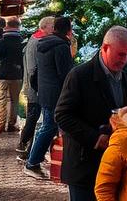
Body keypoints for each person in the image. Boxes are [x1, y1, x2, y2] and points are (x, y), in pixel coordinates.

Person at [54, 26, 127, 201]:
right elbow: (62, 115)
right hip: (86, 165)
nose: (125, 60)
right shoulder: (80, 75)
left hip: (118, 164)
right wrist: (95, 138)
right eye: (120, 54)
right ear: (105, 48)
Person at [23, 16, 76, 180]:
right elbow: (65, 74)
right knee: (49, 127)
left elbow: (39, 71)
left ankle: (36, 160)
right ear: (68, 30)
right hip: (56, 94)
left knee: (48, 126)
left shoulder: (43, 44)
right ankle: (32, 162)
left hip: (45, 93)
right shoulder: (61, 46)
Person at [18, 16, 56, 159]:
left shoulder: (37, 40)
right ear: (45, 27)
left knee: (34, 117)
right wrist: (38, 87)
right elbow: (33, 69)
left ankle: (27, 147)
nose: (54, 29)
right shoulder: (37, 42)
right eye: (52, 26)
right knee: (33, 117)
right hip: (36, 87)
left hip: (37, 86)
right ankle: (23, 146)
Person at [0, 16, 26, 134]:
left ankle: (1, 124)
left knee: (1, 99)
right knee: (14, 100)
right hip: (16, 74)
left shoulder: (1, 41)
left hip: (2, 74)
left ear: (7, 26)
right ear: (18, 26)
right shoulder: (22, 41)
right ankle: (12, 124)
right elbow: (23, 59)